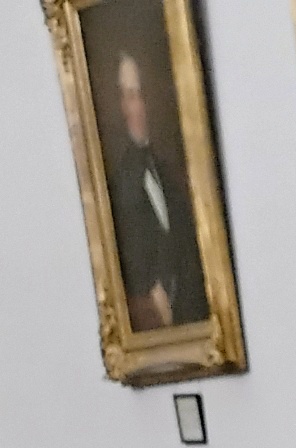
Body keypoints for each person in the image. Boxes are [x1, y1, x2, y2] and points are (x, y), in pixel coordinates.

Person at [104, 46, 200, 331]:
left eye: (141, 94)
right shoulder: (120, 182)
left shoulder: (165, 169)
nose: (138, 107)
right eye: (130, 96)